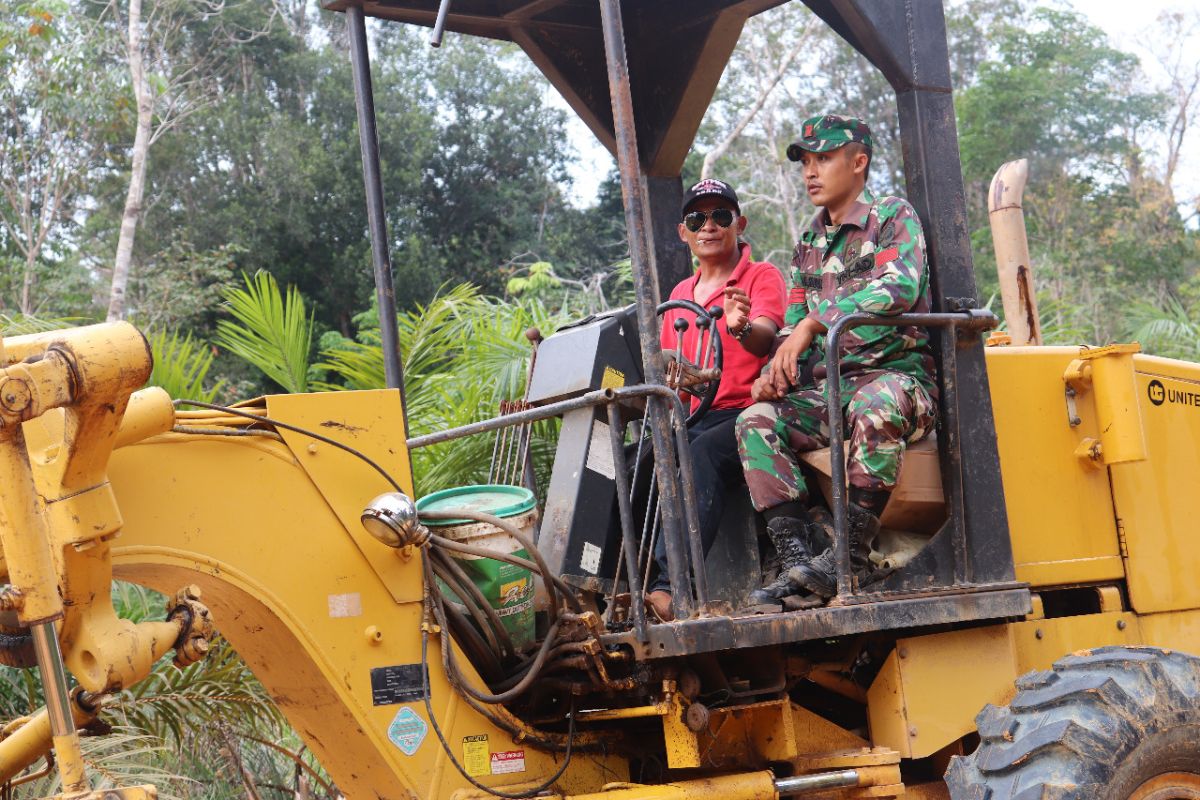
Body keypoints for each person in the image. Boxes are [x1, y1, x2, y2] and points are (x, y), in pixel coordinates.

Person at [736, 115, 937, 605]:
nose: (811, 171)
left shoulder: (890, 217)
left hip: (899, 381)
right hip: (832, 391)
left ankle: (848, 558)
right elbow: (791, 324)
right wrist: (774, 372)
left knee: (879, 402)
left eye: (823, 158)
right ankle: (799, 564)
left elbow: (899, 287)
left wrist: (815, 324)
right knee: (755, 420)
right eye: (805, 162)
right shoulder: (809, 243)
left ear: (859, 163)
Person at [645, 178, 786, 622]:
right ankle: (622, 582)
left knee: (700, 452)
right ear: (682, 232)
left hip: (749, 414)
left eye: (720, 216)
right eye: (697, 219)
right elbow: (673, 372)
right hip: (695, 416)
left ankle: (675, 590)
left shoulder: (761, 276)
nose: (709, 226)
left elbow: (765, 338)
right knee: (638, 459)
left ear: (739, 224)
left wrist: (742, 326)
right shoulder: (678, 297)